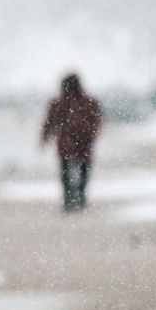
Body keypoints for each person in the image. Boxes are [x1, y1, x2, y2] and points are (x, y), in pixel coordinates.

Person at [40, 71, 104, 212]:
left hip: (70, 144)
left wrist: (44, 138)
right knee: (81, 174)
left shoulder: (60, 103)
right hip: (81, 144)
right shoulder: (87, 102)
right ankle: (77, 199)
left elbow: (49, 123)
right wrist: (92, 134)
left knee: (68, 174)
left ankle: (71, 200)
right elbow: (97, 121)